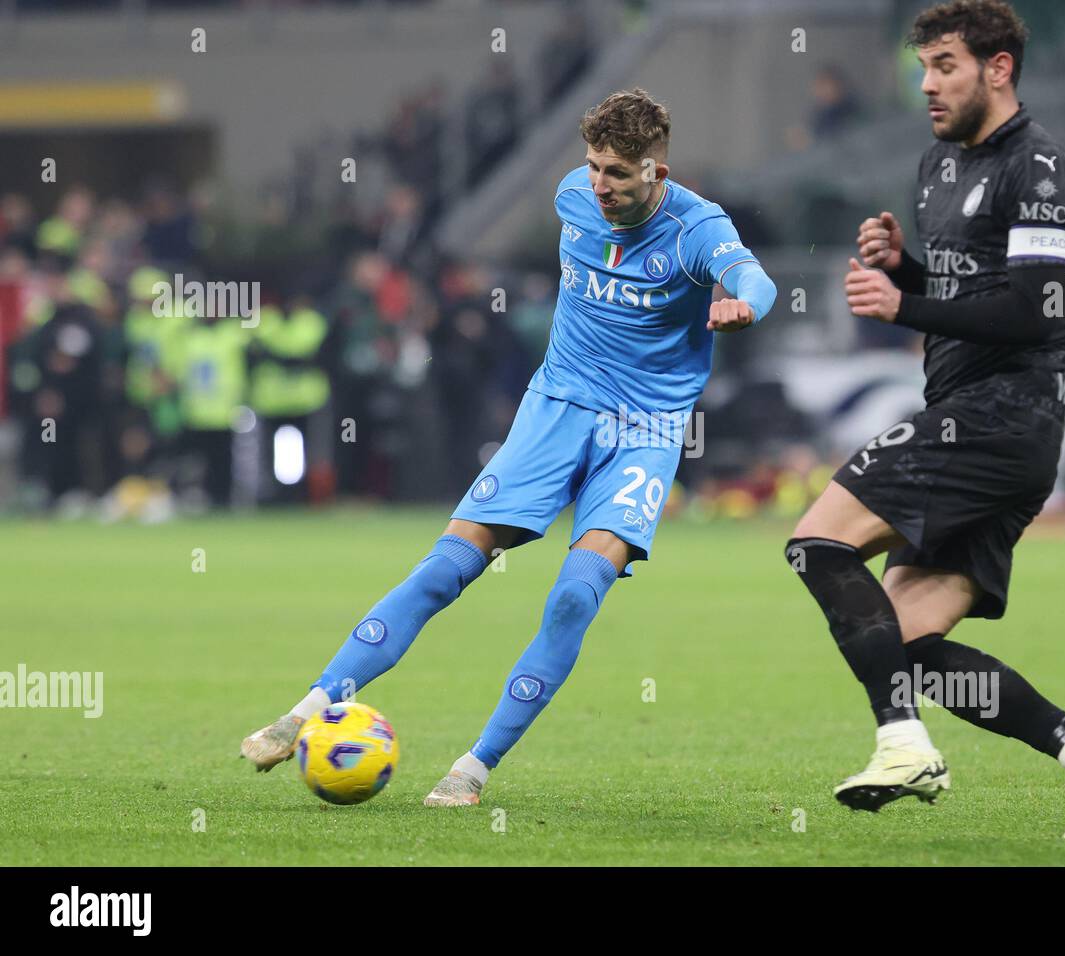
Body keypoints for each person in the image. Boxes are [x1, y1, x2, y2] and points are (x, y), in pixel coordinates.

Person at [242, 88, 778, 807]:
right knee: (445, 568)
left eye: (618, 172)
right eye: (593, 167)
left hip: (643, 430)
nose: (600, 185)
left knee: (573, 597)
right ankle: (306, 710)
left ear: (657, 169)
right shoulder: (571, 196)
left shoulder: (697, 228)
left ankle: (474, 766)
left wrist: (743, 305)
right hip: (555, 409)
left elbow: (754, 276)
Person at [784, 0, 1065, 839]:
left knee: (819, 542)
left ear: (999, 69)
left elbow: (1031, 309)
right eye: (923, 68)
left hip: (1003, 416)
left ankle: (902, 742)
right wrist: (906, 264)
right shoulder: (937, 167)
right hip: (962, 414)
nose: (928, 85)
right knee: (908, 642)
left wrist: (903, 303)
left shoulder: (1043, 168)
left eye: (945, 65)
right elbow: (972, 291)